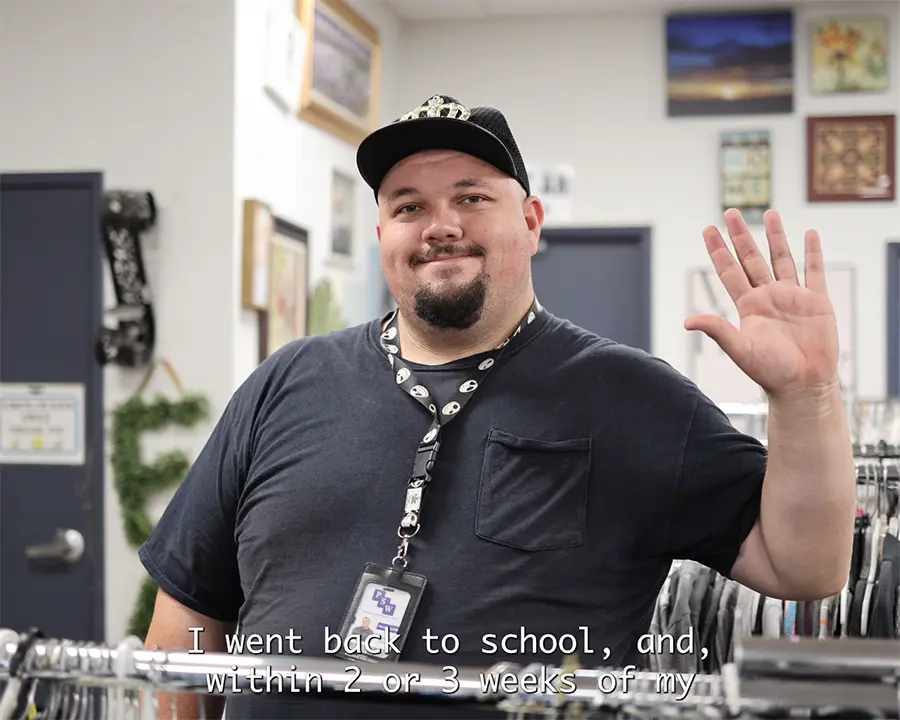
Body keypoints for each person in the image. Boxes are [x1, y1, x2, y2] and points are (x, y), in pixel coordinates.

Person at [140, 94, 856, 719]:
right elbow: (190, 613)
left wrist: (808, 397)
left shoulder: (632, 397)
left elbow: (806, 568)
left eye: (472, 197)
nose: (439, 225)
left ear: (533, 220)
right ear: (382, 234)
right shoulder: (286, 382)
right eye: (408, 206)